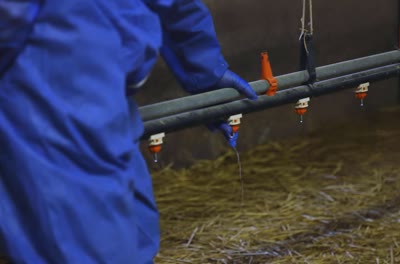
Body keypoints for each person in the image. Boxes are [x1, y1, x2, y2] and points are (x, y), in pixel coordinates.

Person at [0, 0, 257, 263]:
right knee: (88, 241)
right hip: (50, 80)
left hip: (100, 82)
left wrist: (205, 71)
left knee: (130, 231)